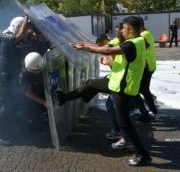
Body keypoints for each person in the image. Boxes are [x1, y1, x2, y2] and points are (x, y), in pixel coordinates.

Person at [56, 16, 152, 166]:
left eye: (123, 28)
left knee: (124, 122)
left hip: (123, 88)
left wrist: (85, 48)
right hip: (116, 82)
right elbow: (108, 46)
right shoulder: (135, 41)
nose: (121, 30)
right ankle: (65, 98)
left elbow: (107, 50)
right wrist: (85, 44)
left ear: (130, 29)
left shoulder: (133, 44)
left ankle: (142, 154)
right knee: (91, 84)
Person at [134, 17, 158, 122]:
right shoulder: (147, 33)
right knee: (142, 89)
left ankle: (150, 111)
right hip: (149, 66)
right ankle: (151, 109)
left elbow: (139, 49)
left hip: (147, 66)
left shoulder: (143, 36)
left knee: (141, 90)